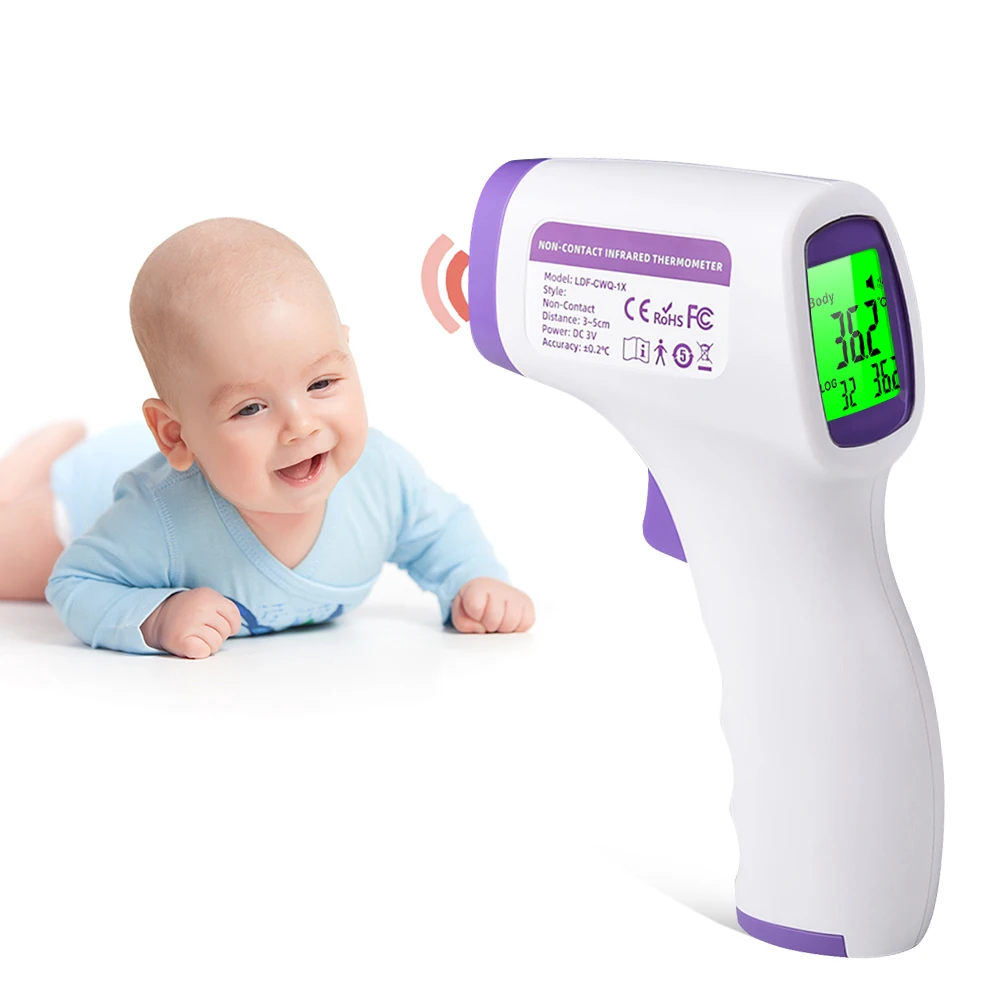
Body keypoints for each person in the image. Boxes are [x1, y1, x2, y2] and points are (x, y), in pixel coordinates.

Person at [0, 218, 534, 656]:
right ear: (176, 435)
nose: (301, 425)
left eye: (321, 383)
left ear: (348, 355)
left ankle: (58, 441)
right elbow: (74, 583)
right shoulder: (155, 518)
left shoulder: (381, 479)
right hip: (84, 495)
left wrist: (474, 580)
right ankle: (35, 461)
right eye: (251, 408)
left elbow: (441, 530)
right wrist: (156, 617)